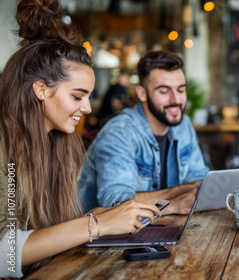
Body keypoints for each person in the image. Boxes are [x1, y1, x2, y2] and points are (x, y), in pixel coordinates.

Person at [0, 0, 160, 277]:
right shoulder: (4, 148)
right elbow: (5, 255)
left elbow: (38, 235)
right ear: (41, 89)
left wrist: (93, 219)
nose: (86, 108)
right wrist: (94, 224)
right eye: (77, 96)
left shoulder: (54, 143)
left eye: (87, 96)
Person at [79, 51, 239, 214]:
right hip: (99, 244)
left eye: (181, 89)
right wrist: (180, 195)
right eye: (164, 91)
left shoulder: (183, 125)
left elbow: (197, 179)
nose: (176, 100)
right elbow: (116, 204)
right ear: (142, 93)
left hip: (158, 230)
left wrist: (224, 185)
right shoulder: (119, 133)